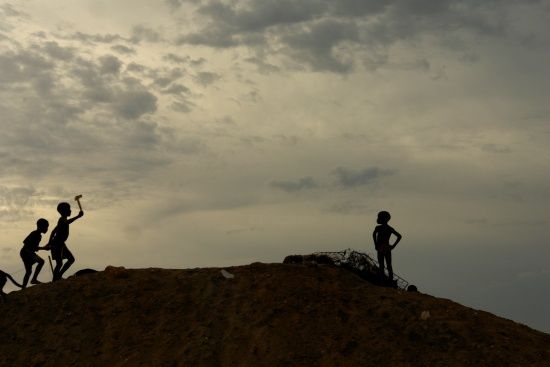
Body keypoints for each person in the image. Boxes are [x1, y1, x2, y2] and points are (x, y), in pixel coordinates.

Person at [48, 202, 83, 281]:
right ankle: (55, 279)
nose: (70, 211)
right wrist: (78, 216)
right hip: (57, 243)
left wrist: (49, 242)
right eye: (69, 209)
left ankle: (58, 276)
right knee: (60, 263)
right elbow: (66, 223)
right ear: (64, 211)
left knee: (70, 259)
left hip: (60, 243)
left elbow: (53, 231)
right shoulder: (62, 220)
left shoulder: (62, 220)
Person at [372, 210, 402, 282]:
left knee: (385, 265)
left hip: (383, 248)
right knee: (385, 265)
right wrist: (376, 244)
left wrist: (393, 246)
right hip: (384, 248)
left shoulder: (385, 228)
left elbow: (399, 236)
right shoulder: (380, 228)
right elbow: (374, 235)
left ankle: (387, 280)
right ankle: (384, 279)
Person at [20, 218, 49, 288]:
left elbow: (34, 247)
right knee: (41, 262)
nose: (47, 229)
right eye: (46, 227)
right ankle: (33, 279)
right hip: (26, 252)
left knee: (29, 271)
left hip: (27, 252)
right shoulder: (35, 234)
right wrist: (44, 248)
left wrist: (43, 248)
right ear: (41, 226)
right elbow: (27, 243)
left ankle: (24, 286)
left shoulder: (38, 235)